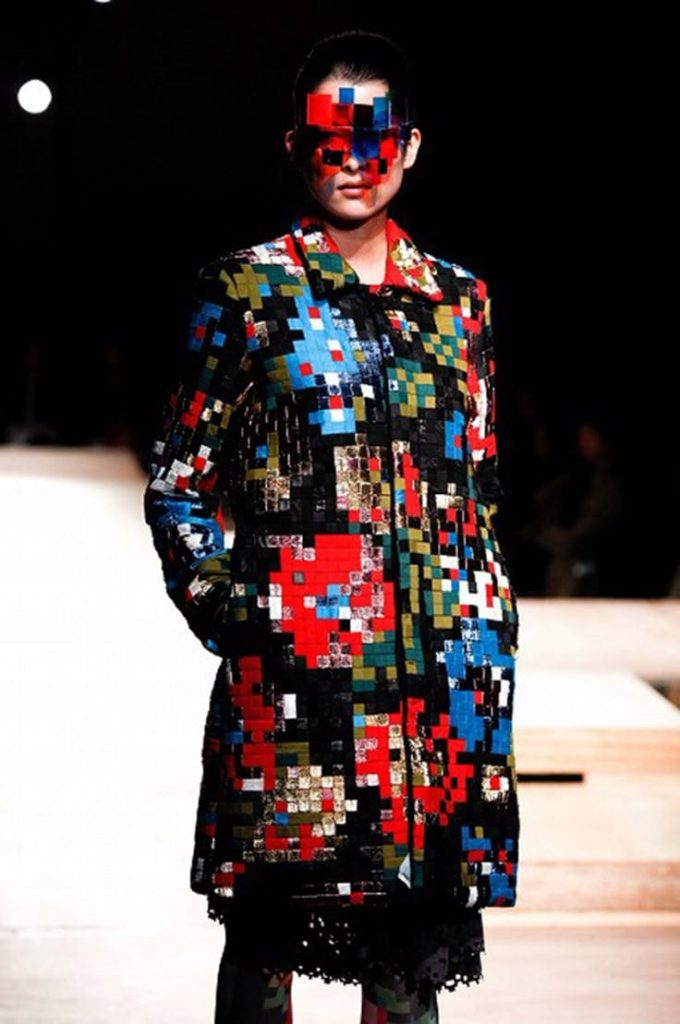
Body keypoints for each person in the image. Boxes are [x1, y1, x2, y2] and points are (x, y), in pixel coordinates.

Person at [143, 29, 520, 1024]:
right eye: (329, 140)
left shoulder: (460, 304)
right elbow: (180, 484)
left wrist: (487, 628)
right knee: (264, 964)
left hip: (435, 695)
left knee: (407, 979)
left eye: (376, 138)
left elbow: (476, 487)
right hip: (295, 701)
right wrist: (247, 616)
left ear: (412, 145)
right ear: (294, 146)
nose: (355, 161)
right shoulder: (247, 293)